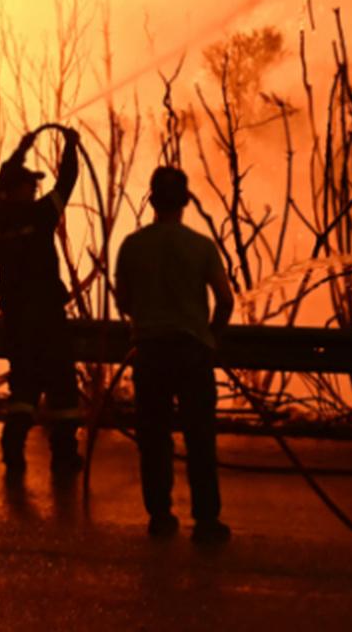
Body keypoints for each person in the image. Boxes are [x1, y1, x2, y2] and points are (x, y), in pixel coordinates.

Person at [114, 165, 234, 543]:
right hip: (192, 353)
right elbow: (225, 300)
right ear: (185, 202)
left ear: (151, 201)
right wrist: (210, 338)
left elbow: (125, 302)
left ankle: (161, 516)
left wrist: (150, 319)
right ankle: (207, 521)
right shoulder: (201, 246)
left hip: (150, 353)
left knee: (154, 438)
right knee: (200, 437)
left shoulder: (131, 246)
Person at [0, 126, 84, 478]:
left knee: (24, 386)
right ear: (17, 190)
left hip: (16, 317)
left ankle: (13, 451)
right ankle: (65, 455)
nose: (35, 188)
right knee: (61, 385)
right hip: (46, 316)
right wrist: (70, 146)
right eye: (29, 183)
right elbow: (68, 180)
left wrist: (23, 147)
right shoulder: (40, 215)